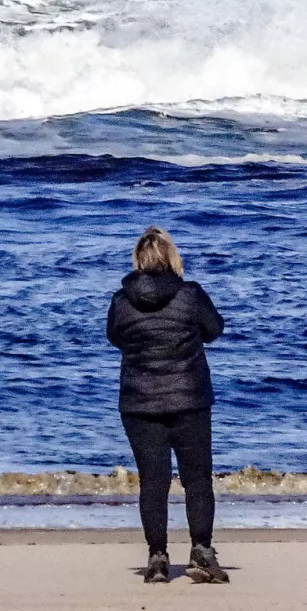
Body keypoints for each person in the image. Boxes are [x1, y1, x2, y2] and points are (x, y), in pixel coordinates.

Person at [106, 226, 228, 584]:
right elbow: (215, 329)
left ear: (138, 260)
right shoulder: (190, 295)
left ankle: (157, 557)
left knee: (153, 483)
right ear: (173, 258)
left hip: (139, 402)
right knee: (197, 479)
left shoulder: (121, 300)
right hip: (189, 398)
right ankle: (202, 550)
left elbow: (115, 337)